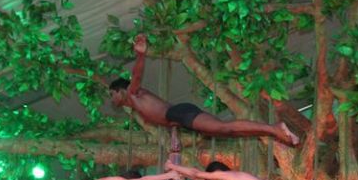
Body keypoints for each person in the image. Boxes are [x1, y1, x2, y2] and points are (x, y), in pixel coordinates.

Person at [109, 34, 299, 146]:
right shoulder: (135, 106)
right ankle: (271, 131)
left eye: (111, 94)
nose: (111, 100)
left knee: (225, 127)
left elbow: (136, 76)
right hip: (179, 118)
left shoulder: (133, 93)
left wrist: (140, 55)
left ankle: (274, 128)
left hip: (179, 113)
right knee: (227, 132)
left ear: (120, 91)